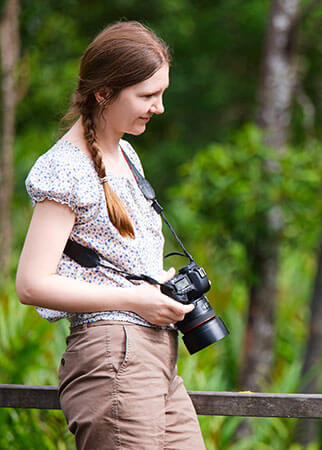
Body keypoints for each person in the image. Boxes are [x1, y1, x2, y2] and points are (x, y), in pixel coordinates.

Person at [15, 21, 206, 449]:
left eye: (162, 93)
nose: (158, 107)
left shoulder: (125, 152)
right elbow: (31, 284)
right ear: (104, 93)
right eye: (146, 95)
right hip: (112, 354)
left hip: (155, 356)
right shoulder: (65, 168)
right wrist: (135, 299)